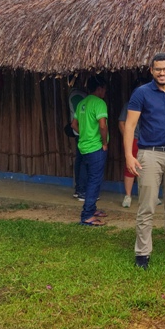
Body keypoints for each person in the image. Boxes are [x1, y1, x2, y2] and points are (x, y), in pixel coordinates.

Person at [124, 53, 165, 269]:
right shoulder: (141, 93)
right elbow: (130, 126)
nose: (162, 73)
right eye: (157, 69)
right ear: (151, 71)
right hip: (149, 154)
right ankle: (142, 253)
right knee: (147, 206)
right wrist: (128, 155)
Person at [72, 76, 108, 226]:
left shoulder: (82, 103)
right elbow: (102, 126)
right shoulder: (99, 103)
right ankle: (87, 215)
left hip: (83, 146)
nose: (105, 92)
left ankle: (91, 209)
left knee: (89, 178)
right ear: (99, 89)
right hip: (95, 147)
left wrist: (85, 134)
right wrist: (104, 143)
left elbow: (73, 125)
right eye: (104, 89)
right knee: (94, 180)